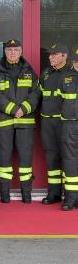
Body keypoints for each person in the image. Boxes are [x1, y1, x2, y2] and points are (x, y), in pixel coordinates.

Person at [0, 39, 41, 204]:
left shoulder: (29, 71)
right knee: (4, 160)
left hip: (25, 122)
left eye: (16, 50)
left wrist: (24, 109)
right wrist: (13, 109)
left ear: (21, 51)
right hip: (4, 122)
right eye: (9, 50)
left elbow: (36, 94)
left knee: (26, 159)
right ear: (5, 52)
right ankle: (4, 194)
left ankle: (26, 193)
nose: (12, 52)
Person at [39, 44, 68, 205]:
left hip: (64, 122)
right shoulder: (46, 73)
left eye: (54, 54)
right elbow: (39, 95)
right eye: (50, 54)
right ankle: (54, 192)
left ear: (64, 56)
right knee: (51, 157)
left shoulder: (71, 74)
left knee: (68, 157)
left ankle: (70, 194)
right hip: (47, 121)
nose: (50, 57)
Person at [57, 49, 78, 211]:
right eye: (76, 61)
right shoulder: (66, 77)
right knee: (70, 161)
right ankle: (71, 198)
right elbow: (57, 101)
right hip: (69, 124)